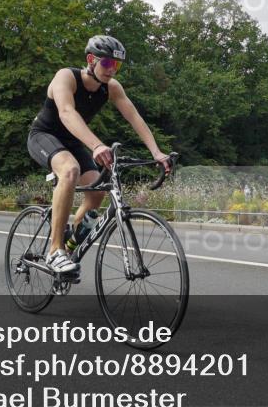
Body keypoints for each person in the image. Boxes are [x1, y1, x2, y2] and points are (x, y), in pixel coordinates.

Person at [27, 35, 170, 276]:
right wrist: (96, 145)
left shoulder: (111, 88)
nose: (112, 69)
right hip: (44, 135)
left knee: (97, 192)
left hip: (73, 141)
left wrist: (156, 152)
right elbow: (66, 112)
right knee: (70, 170)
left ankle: (71, 241)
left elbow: (134, 117)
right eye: (106, 63)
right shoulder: (66, 77)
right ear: (91, 60)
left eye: (117, 65)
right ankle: (55, 250)